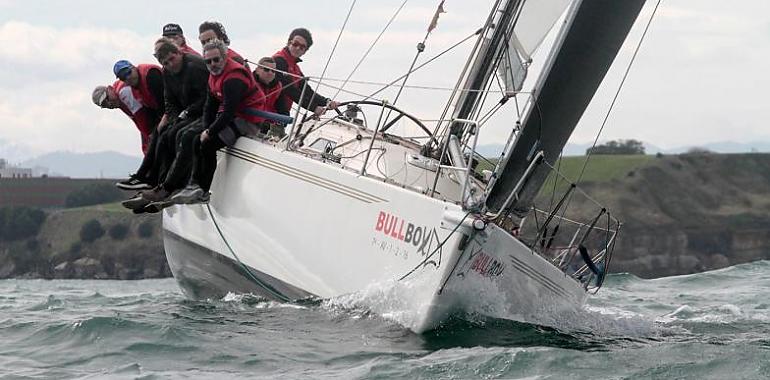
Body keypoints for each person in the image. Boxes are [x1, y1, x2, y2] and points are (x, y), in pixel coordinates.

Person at [170, 39, 266, 204]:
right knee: (196, 140)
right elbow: (210, 106)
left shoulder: (233, 78)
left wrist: (210, 133)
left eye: (216, 59)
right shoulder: (213, 76)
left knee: (208, 144)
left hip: (249, 120)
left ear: (225, 57)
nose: (212, 64)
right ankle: (193, 185)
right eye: (208, 61)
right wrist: (205, 129)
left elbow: (228, 113)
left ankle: (203, 191)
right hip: (234, 116)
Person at [123, 38, 210, 210]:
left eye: (172, 59)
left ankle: (170, 186)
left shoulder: (195, 66)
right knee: (164, 135)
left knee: (183, 136)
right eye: (165, 62)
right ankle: (157, 183)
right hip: (188, 111)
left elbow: (208, 96)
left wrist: (186, 113)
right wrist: (173, 117)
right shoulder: (167, 72)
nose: (170, 64)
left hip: (205, 110)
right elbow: (169, 100)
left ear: (179, 53)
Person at [111, 60, 166, 190]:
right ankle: (148, 180)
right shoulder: (134, 87)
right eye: (123, 77)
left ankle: (154, 181)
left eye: (128, 73)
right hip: (163, 113)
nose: (128, 78)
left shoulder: (149, 76)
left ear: (134, 68)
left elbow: (162, 102)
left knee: (160, 138)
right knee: (155, 139)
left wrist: (154, 131)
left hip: (174, 110)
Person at [272, 28, 337, 117]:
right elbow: (289, 90)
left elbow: (306, 91)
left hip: (280, 116)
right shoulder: (278, 60)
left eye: (302, 47)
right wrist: (313, 108)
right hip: (268, 114)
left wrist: (327, 101)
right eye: (295, 44)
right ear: (289, 43)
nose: (298, 48)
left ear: (305, 51)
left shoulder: (295, 68)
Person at [91, 80, 159, 155]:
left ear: (110, 88)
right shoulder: (119, 101)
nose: (109, 103)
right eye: (104, 104)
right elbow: (138, 120)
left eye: (107, 98)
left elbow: (141, 117)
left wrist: (148, 140)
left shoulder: (123, 92)